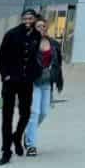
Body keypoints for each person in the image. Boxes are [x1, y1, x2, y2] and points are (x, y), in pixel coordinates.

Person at [0, 9, 40, 166]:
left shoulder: (37, 36)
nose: (28, 20)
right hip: (10, 81)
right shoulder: (11, 34)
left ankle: (17, 136)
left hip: (26, 82)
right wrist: (5, 75)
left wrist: (34, 74)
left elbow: (37, 59)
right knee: (7, 117)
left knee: (25, 113)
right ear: (22, 19)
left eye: (31, 18)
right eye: (26, 17)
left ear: (35, 19)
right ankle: (6, 151)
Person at [23, 17, 64, 156]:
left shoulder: (53, 44)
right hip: (33, 83)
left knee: (44, 113)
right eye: (38, 26)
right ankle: (31, 145)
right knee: (34, 113)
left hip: (47, 83)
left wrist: (56, 80)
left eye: (44, 26)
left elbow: (58, 65)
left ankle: (28, 132)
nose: (41, 29)